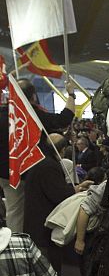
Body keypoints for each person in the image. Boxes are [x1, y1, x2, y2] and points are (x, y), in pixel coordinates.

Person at [0, 78, 75, 232]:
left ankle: (15, 244)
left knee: (14, 211)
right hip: (31, 172)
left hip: (6, 174)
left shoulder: (2, 113)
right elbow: (64, 119)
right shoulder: (31, 114)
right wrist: (71, 95)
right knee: (40, 208)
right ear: (33, 96)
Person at [23, 133, 92, 273]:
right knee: (49, 272)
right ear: (61, 150)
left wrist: (76, 188)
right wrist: (76, 192)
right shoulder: (49, 166)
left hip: (36, 223)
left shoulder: (39, 161)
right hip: (44, 227)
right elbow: (58, 195)